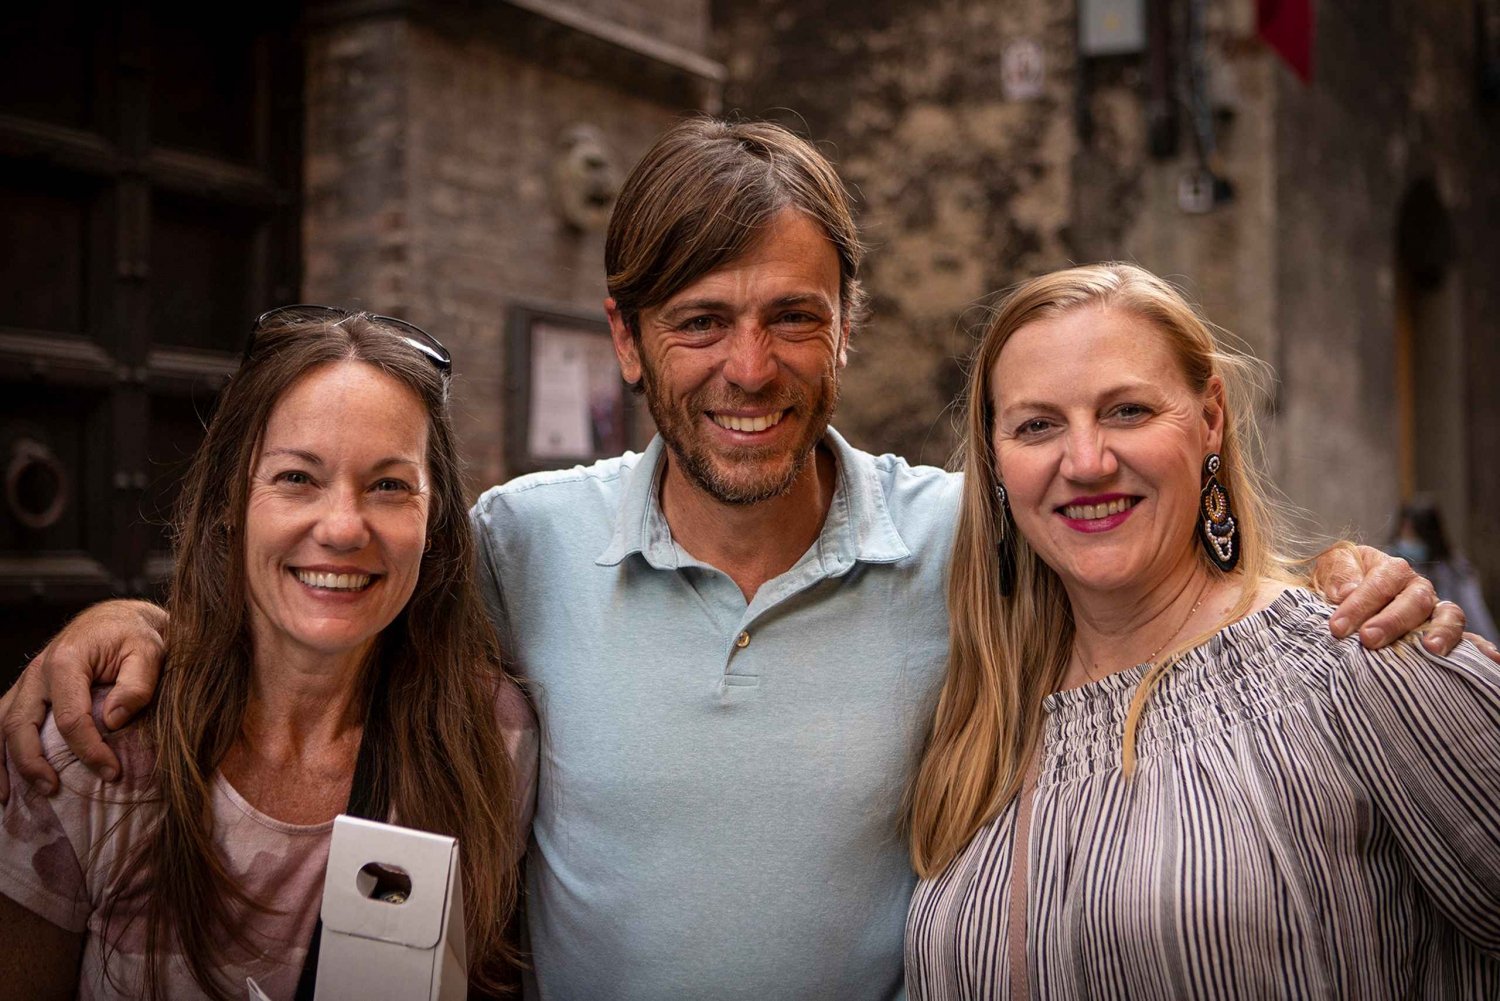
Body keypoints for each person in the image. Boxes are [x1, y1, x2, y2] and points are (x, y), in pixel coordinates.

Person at [0, 121, 1475, 999]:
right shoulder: (522, 541)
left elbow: (1152, 552)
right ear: (629, 339)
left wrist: (1342, 574)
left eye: (790, 316)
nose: (747, 367)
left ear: (848, 327)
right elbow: (332, 588)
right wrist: (132, 624)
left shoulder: (970, 537)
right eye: (700, 319)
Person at [905, 264, 1500, 999]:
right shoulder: (982, 720)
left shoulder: (1360, 658)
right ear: (996, 460)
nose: (1086, 461)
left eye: (1127, 411)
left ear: (1210, 417)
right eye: (1038, 424)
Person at [0, 308, 536, 999]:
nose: (343, 527)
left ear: (433, 520)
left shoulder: (492, 737)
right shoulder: (96, 743)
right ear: (231, 497)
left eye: (389, 484)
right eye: (296, 478)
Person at [1389, 497, 1497, 641]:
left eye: (1413, 533)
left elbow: (1477, 618)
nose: (1407, 538)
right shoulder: (1391, 564)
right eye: (1404, 531)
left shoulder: (1454, 570)